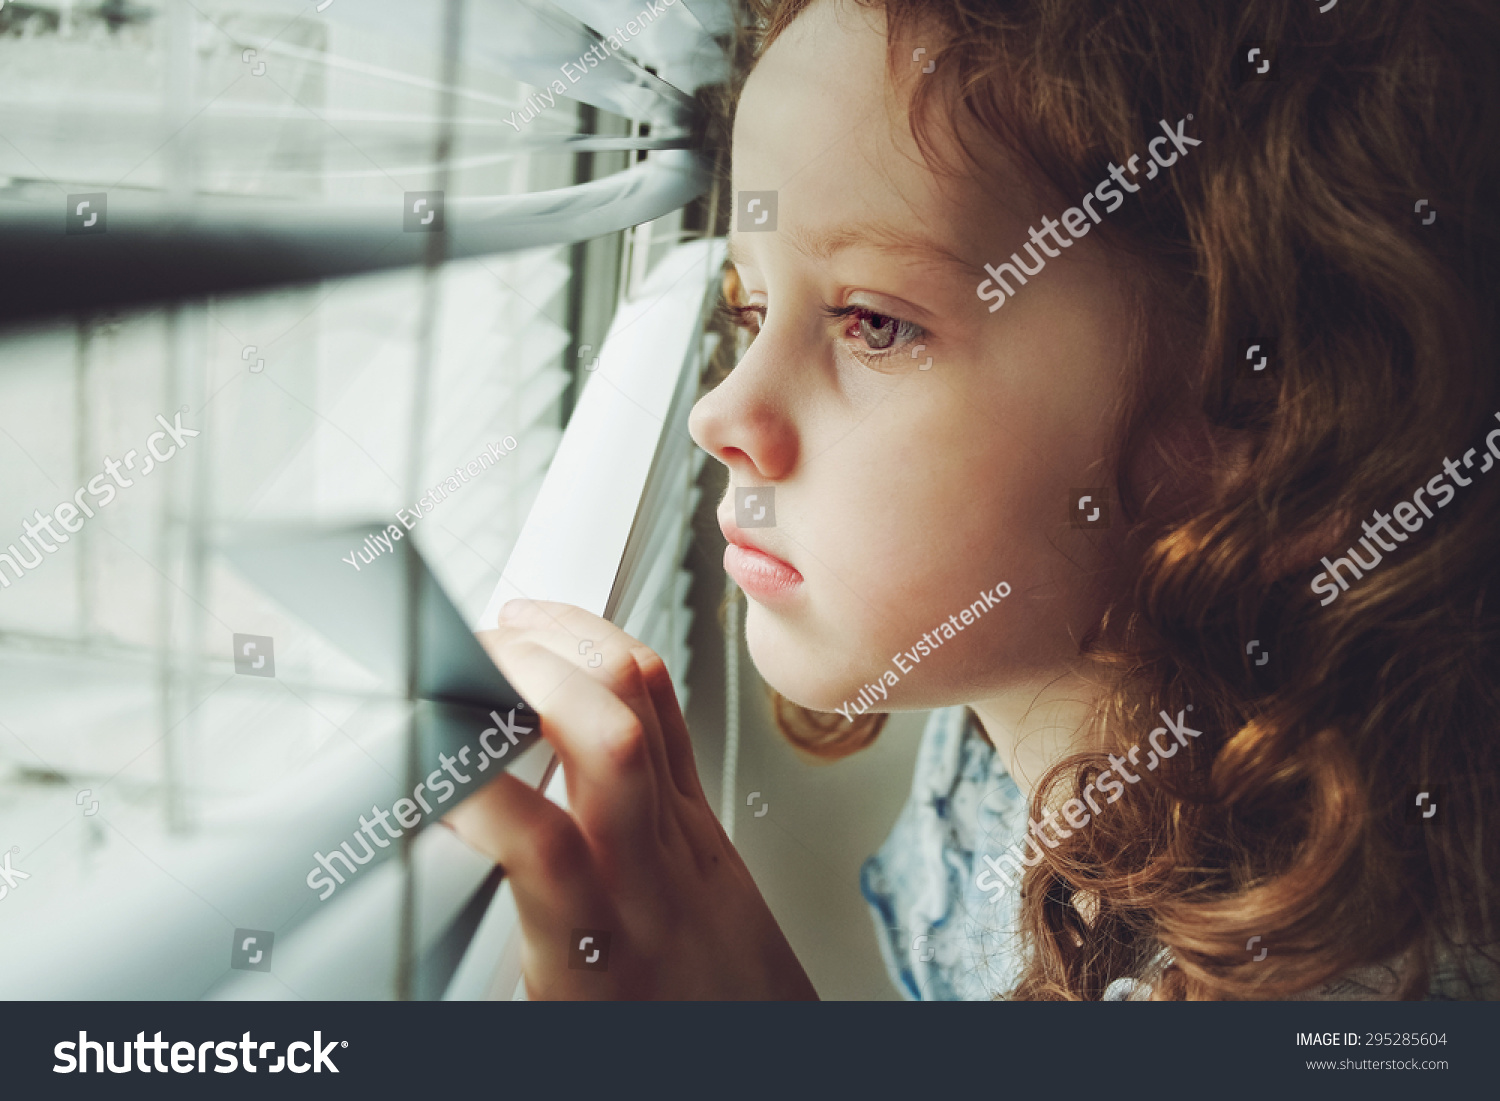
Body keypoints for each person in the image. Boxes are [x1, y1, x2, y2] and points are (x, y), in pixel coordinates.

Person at [446, 0, 1500, 999]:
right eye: (748, 305)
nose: (718, 412)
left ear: (1275, 442)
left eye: (874, 323)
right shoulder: (1003, 739)